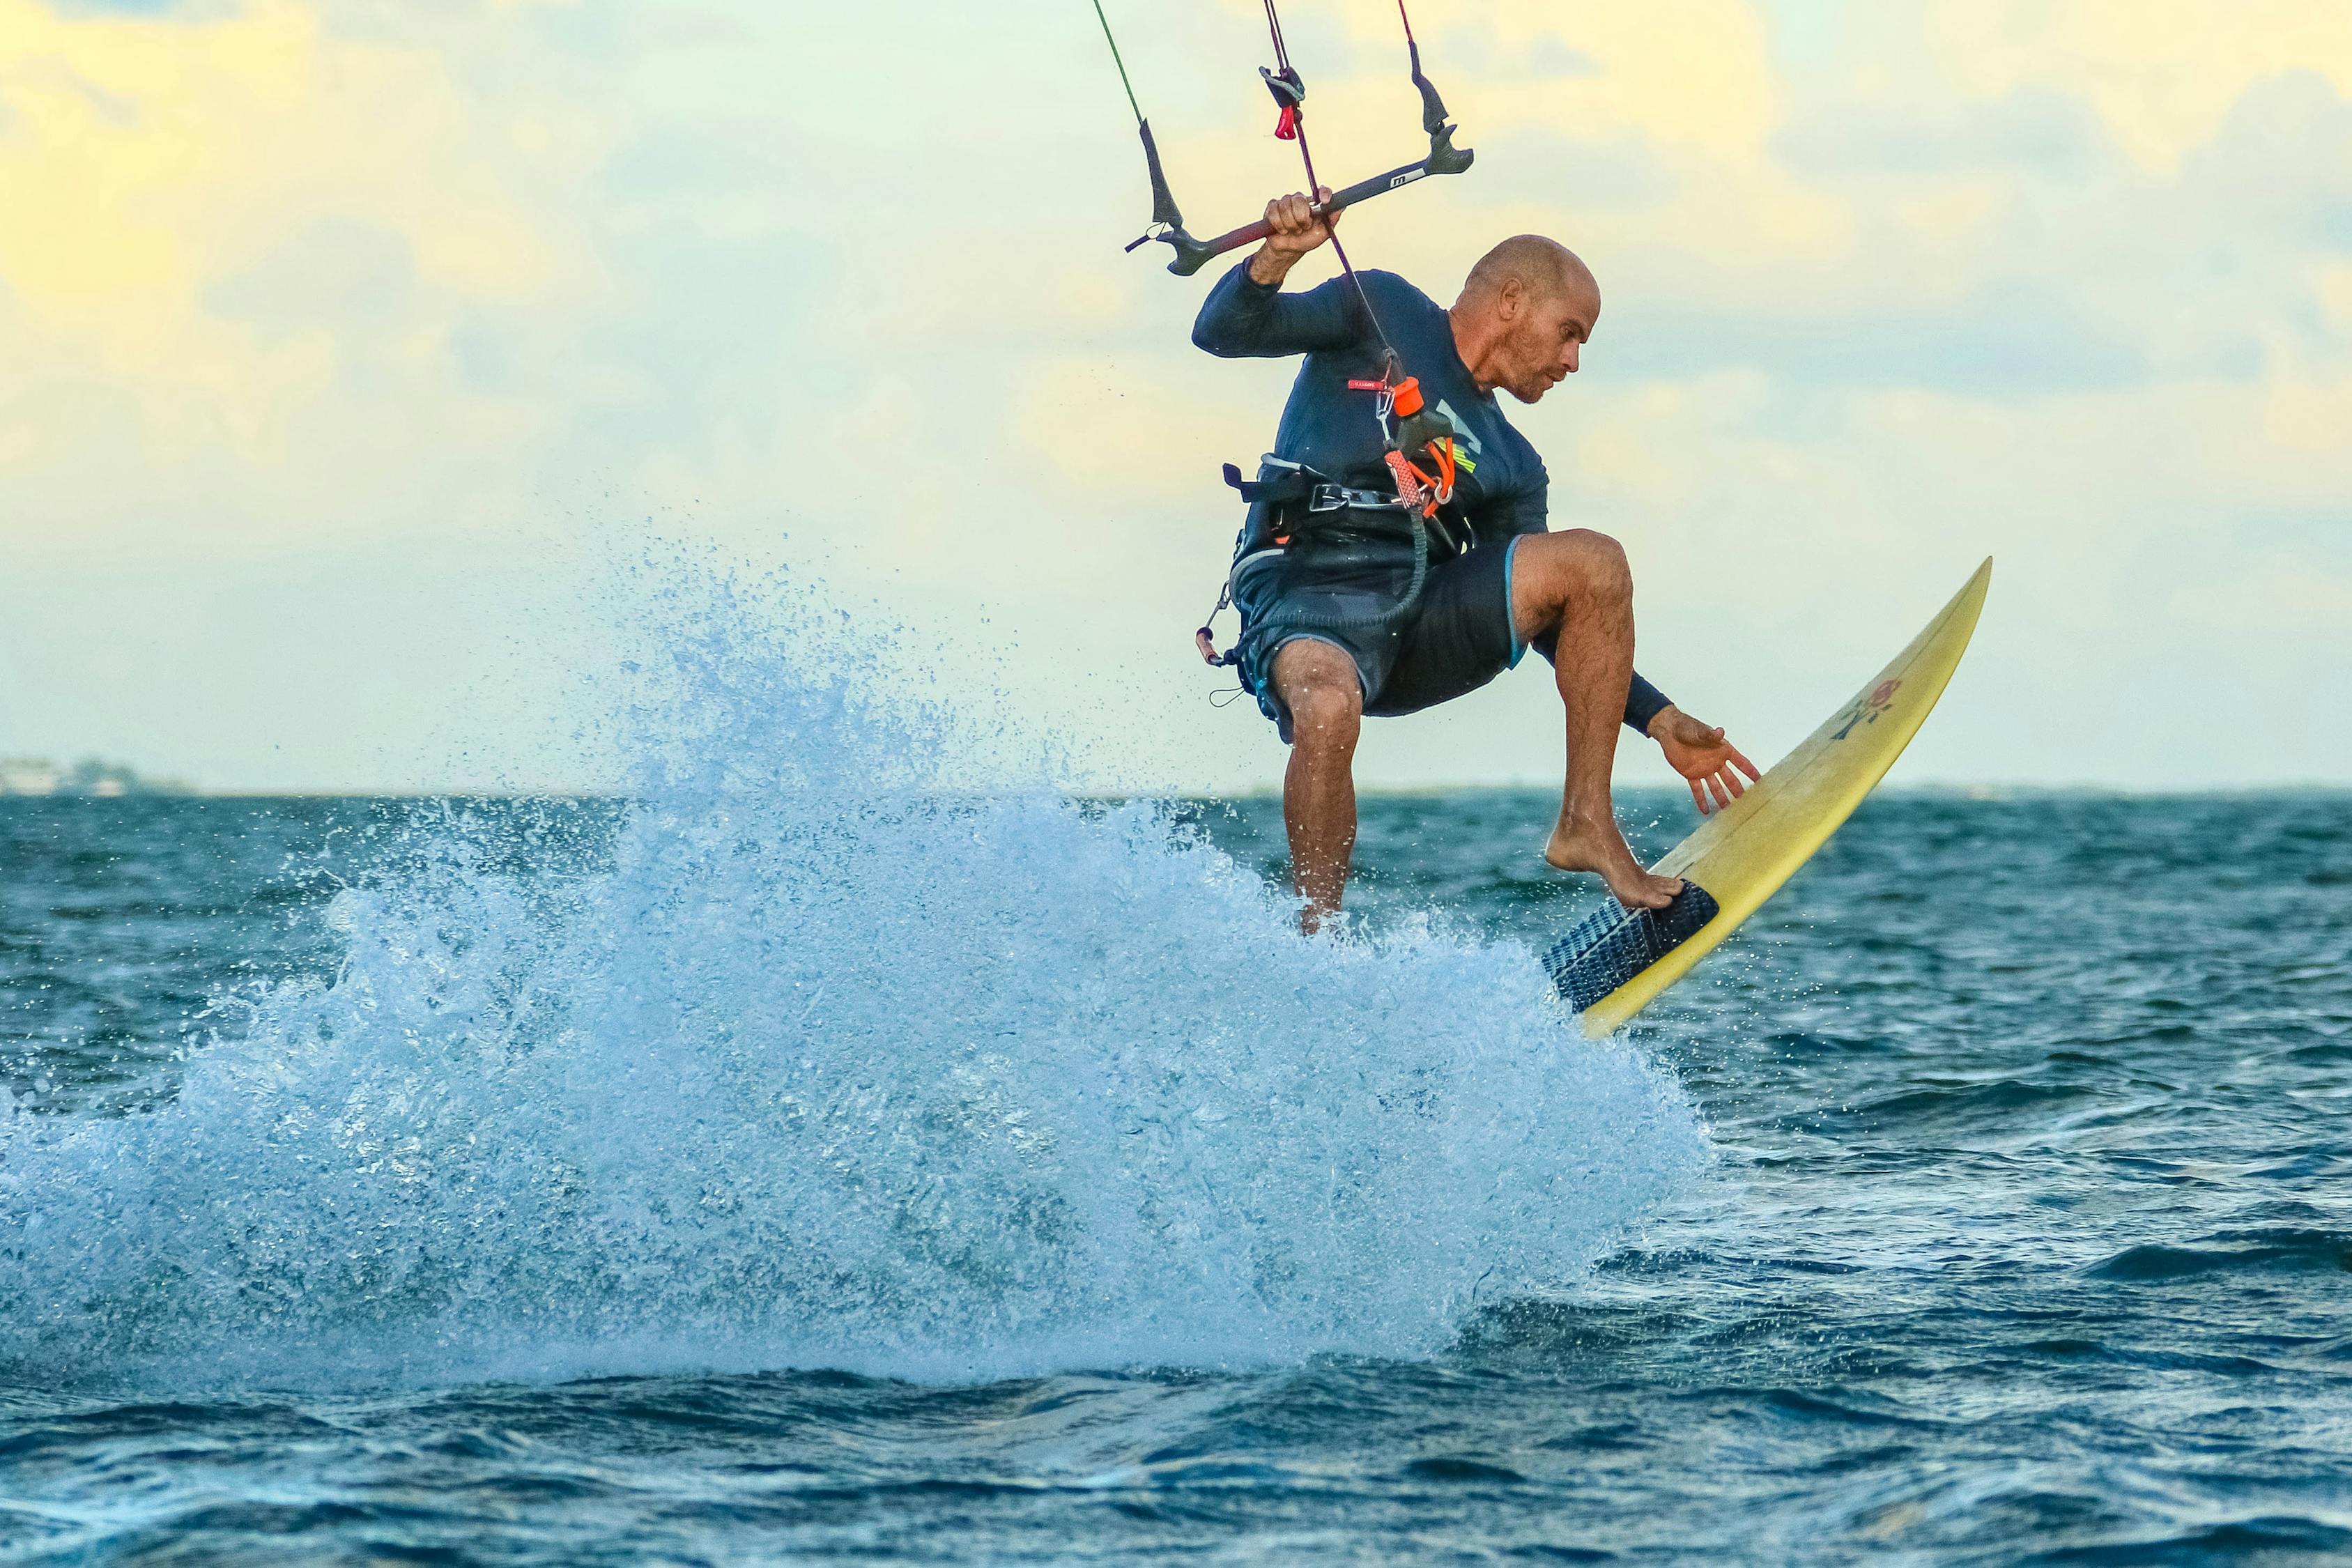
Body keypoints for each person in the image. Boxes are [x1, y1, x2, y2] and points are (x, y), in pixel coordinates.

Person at [1194, 189, 1759, 928]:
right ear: (1513, 301)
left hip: (1414, 618)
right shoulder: (1383, 308)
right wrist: (1277, 255)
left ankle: (1585, 821)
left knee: (1593, 563)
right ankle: (1317, 937)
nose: (1573, 360)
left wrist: (1656, 717)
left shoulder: (1514, 464)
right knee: (1328, 706)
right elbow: (1222, 332)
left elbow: (1558, 619)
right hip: (1305, 586)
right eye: (1569, 333)